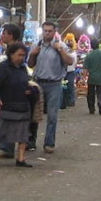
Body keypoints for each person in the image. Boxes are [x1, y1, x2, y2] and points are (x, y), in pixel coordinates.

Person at [27, 21, 74, 154]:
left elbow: (70, 61)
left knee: (52, 115)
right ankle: (31, 141)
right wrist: (33, 54)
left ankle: (49, 143)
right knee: (34, 114)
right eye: (45, 31)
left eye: (49, 31)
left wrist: (60, 50)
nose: (47, 33)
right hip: (38, 82)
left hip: (54, 84)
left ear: (54, 32)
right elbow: (30, 65)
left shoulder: (60, 45)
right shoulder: (37, 46)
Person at [0, 42, 35, 167]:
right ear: (11, 54)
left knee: (23, 134)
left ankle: (20, 158)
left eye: (23, 55)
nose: (21, 58)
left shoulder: (23, 68)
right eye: (19, 55)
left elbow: (26, 82)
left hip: (22, 104)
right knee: (0, 133)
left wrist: (30, 90)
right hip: (7, 104)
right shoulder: (3, 67)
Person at [60, 39, 78, 109]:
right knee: (64, 87)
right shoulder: (66, 54)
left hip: (70, 72)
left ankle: (71, 101)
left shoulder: (73, 54)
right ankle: (65, 101)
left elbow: (73, 63)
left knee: (70, 87)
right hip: (65, 72)